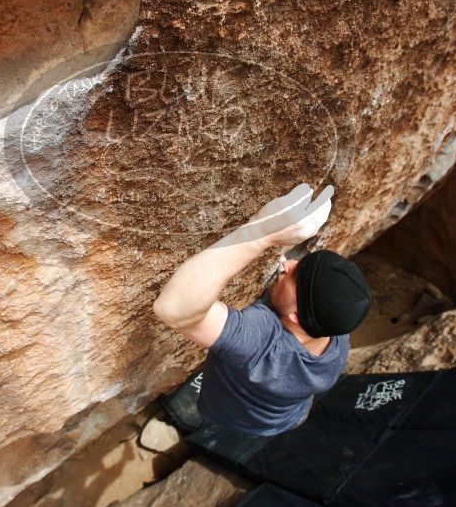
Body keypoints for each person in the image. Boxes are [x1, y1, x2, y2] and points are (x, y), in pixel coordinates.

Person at [152, 183, 371, 436]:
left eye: (295, 276)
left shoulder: (262, 342)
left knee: (210, 416)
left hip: (230, 414)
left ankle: (195, 425)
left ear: (296, 317)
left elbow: (175, 308)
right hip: (286, 418)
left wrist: (261, 232)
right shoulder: (336, 335)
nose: (288, 264)